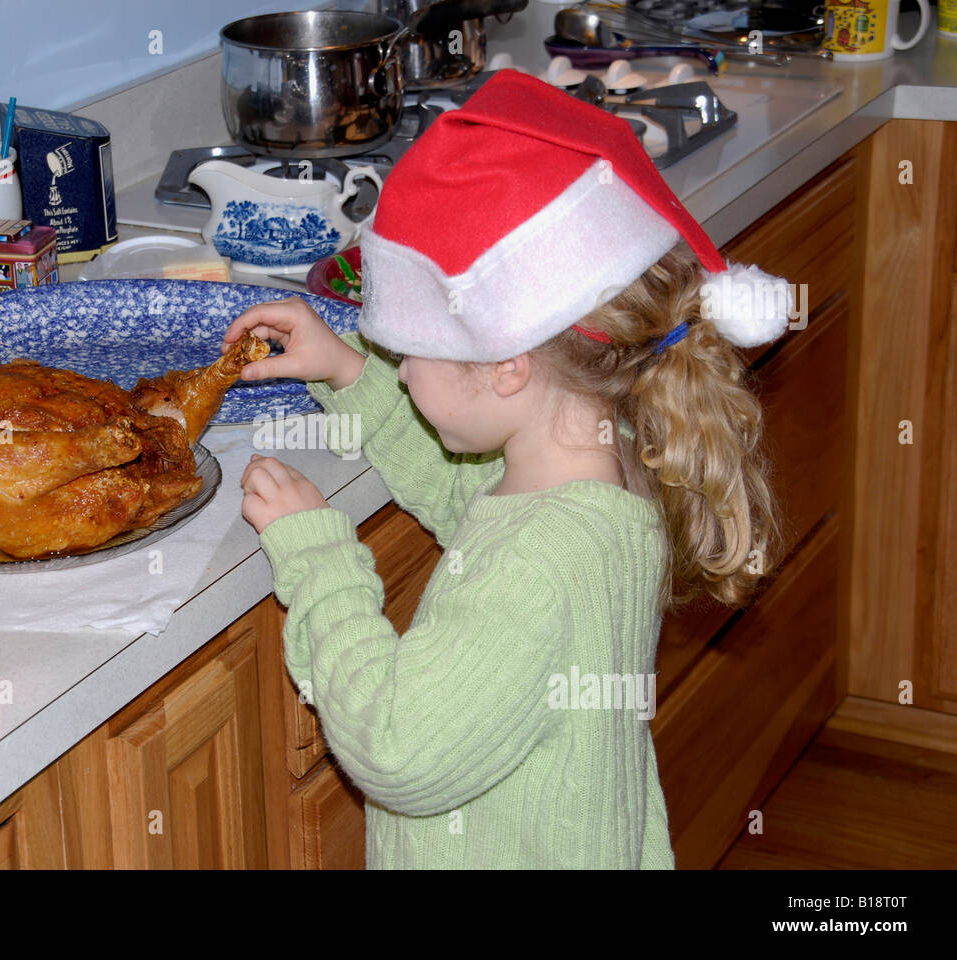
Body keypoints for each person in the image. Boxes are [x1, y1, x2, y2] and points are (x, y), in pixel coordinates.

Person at [224, 69, 791, 869]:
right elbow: (476, 503)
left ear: (506, 367)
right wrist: (351, 373)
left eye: (408, 349)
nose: (402, 367)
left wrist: (320, 561)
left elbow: (396, 745)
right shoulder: (608, 469)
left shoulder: (535, 564)